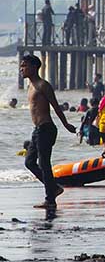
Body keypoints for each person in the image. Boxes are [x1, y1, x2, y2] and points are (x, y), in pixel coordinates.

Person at [20, 54, 76, 209]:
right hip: (37, 130)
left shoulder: (43, 85)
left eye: (24, 66)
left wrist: (66, 125)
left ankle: (50, 199)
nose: (21, 69)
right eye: (21, 66)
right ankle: (54, 188)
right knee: (30, 162)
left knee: (44, 163)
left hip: (46, 129)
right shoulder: (30, 86)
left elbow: (56, 106)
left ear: (33, 67)